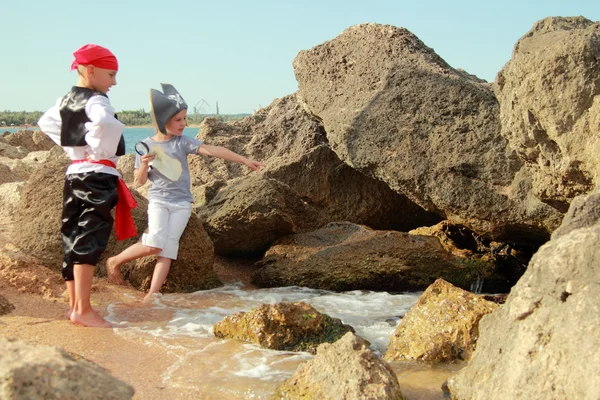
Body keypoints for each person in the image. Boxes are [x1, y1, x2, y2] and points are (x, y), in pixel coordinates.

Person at [106, 83, 263, 302]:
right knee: (154, 243)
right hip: (159, 200)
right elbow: (139, 181)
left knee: (169, 248)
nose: (184, 124)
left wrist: (244, 160)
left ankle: (152, 294)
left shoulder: (182, 142)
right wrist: (143, 165)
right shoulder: (145, 146)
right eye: (178, 120)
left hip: (182, 204)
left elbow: (212, 150)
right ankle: (114, 261)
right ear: (164, 120)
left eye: (185, 119)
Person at [38, 44, 137, 328]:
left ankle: (75, 308)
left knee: (73, 235)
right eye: (111, 74)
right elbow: (106, 123)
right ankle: (83, 309)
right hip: (97, 174)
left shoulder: (65, 99)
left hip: (75, 173)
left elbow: (46, 122)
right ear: (91, 70)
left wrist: (76, 149)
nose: (114, 82)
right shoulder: (98, 100)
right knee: (90, 236)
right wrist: (97, 147)